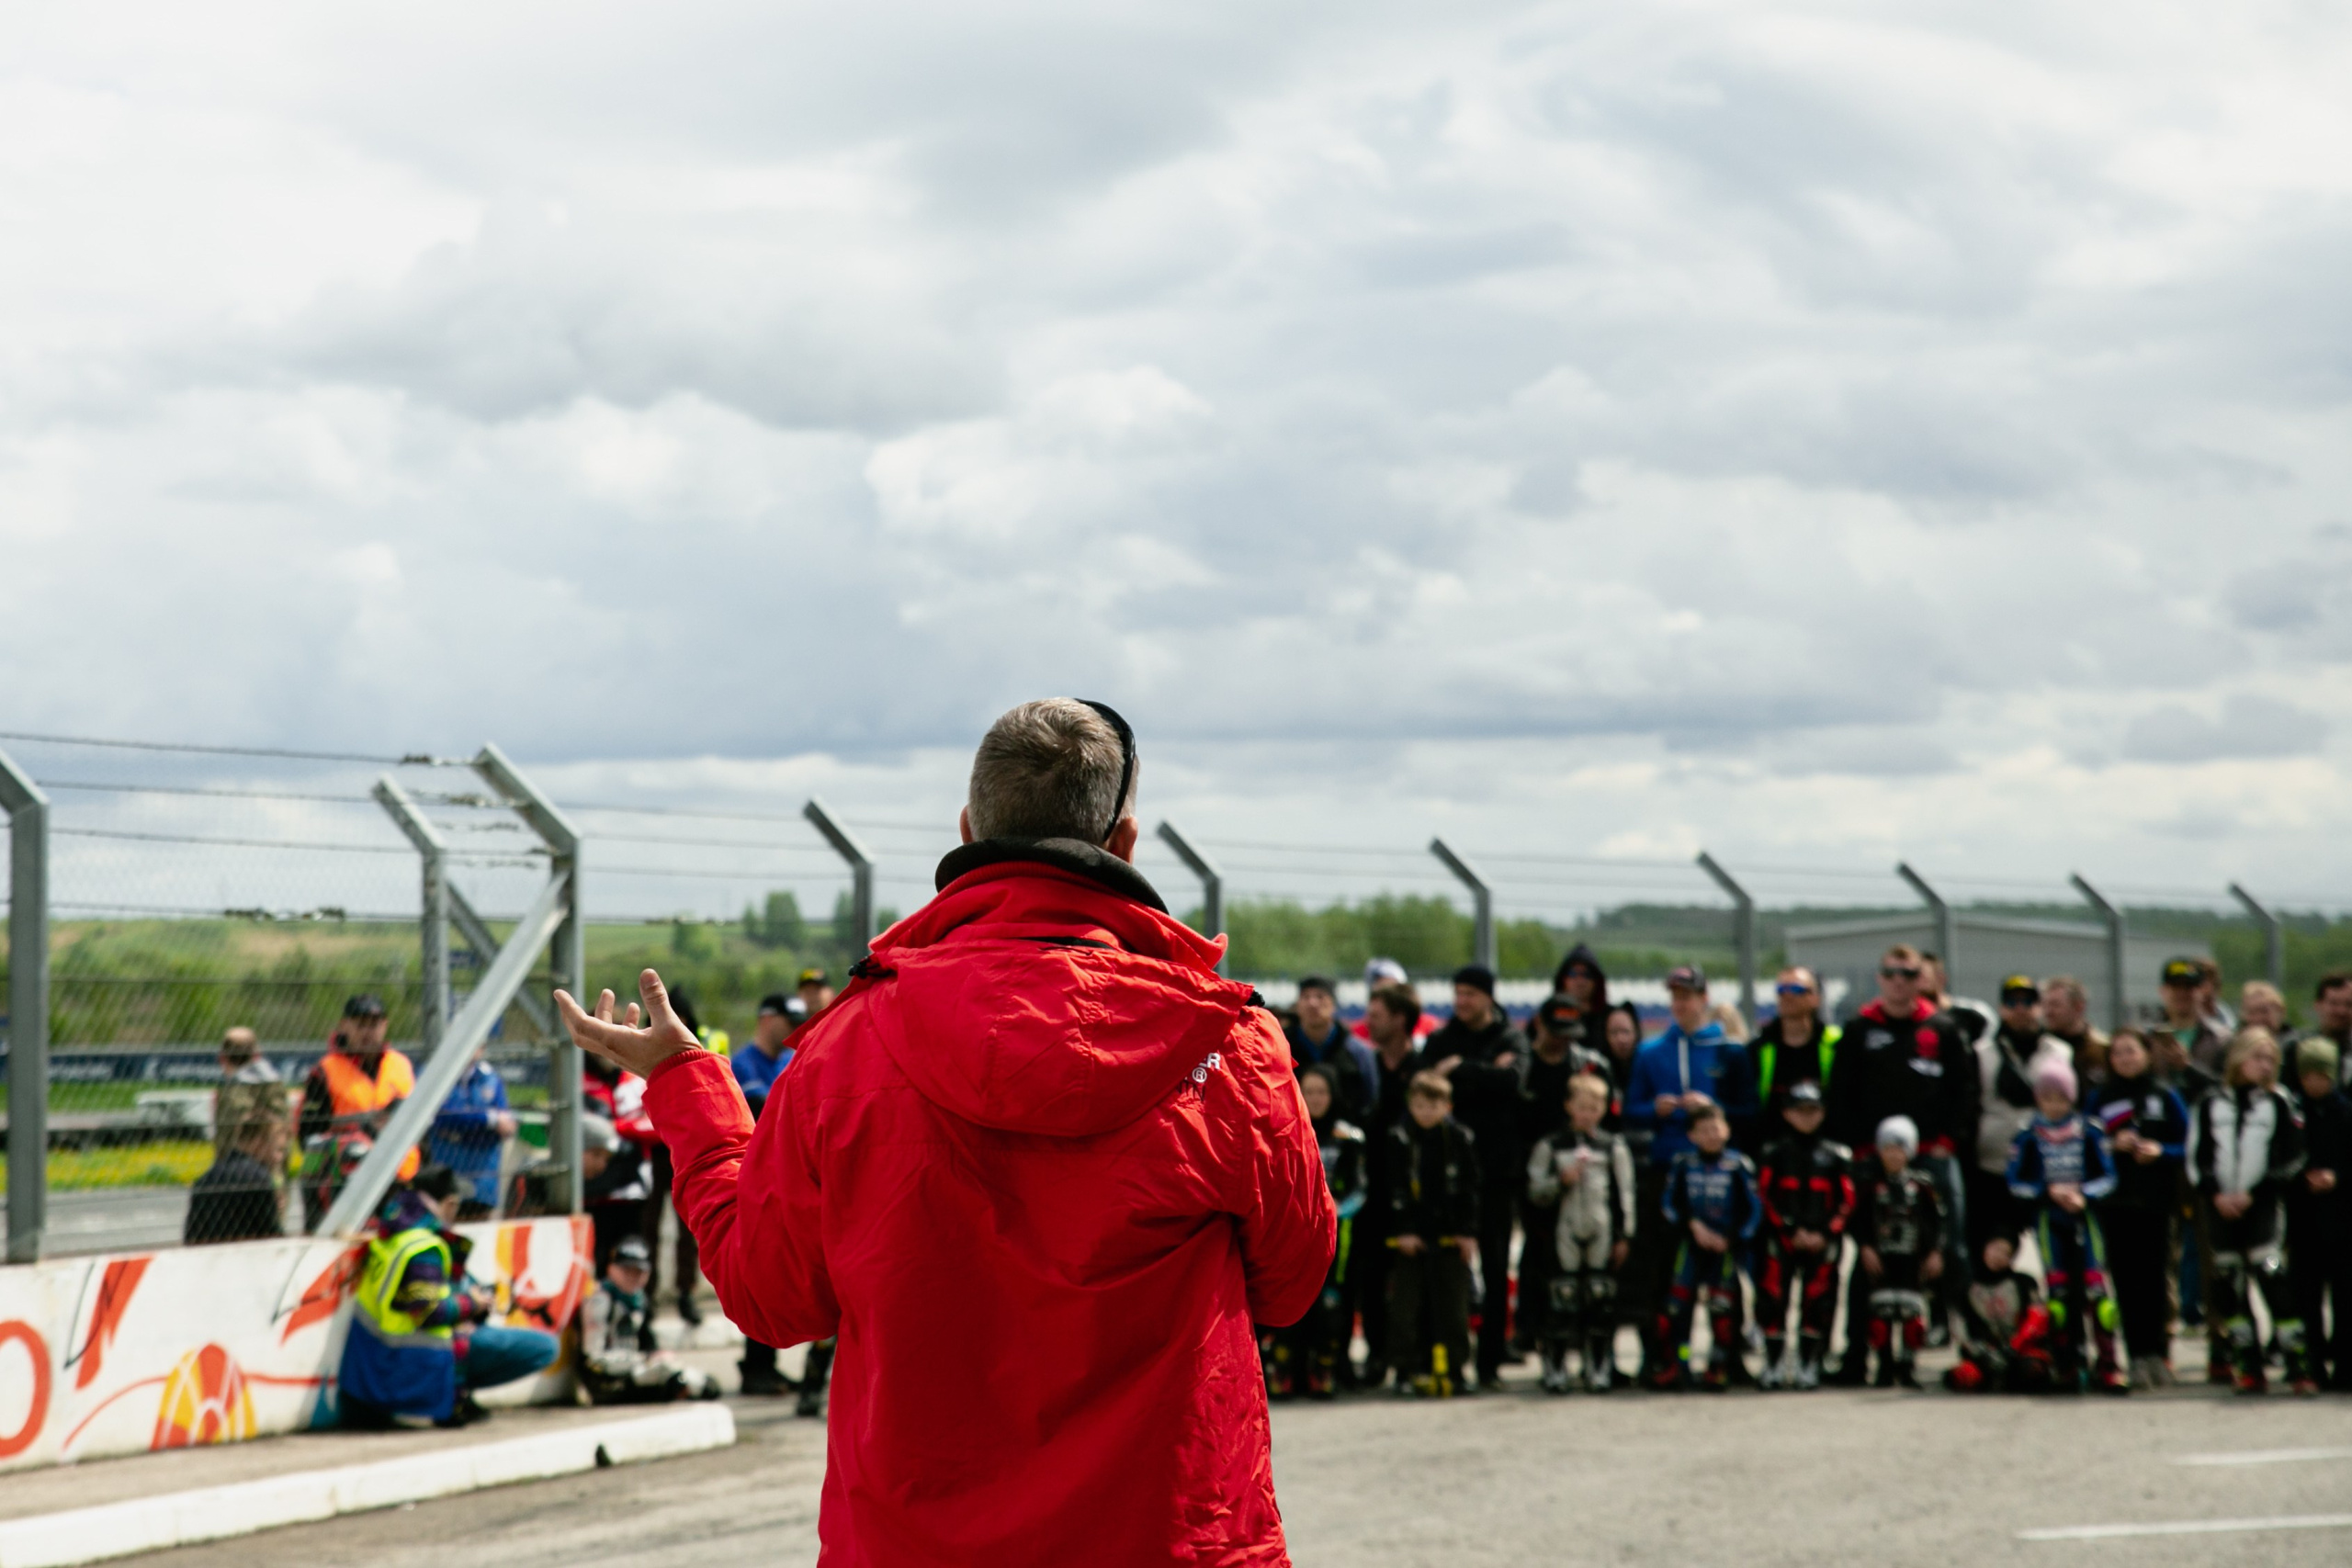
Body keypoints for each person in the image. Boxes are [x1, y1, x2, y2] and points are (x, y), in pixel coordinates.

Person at [555, 697, 1333, 1564]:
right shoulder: (1229, 1047)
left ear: (968, 829)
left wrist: (687, 1084)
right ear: (1124, 845)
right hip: (1168, 1535)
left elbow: (770, 1294)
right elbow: (1293, 1283)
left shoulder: (848, 1044)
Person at [1826, 945, 1974, 1382]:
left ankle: (1968, 1345)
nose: (1899, 982)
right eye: (1891, 973)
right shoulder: (1858, 1029)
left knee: (1949, 1250)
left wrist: (1950, 1141)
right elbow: (1841, 1093)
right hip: (1873, 1161)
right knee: (1866, 1256)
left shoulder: (1942, 1028)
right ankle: (1857, 1352)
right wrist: (1854, 1149)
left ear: (1920, 979)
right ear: (1880, 978)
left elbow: (1964, 1091)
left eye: (1908, 974)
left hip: (1931, 1154)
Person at [340, 1164, 558, 1427]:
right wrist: (473, 1303)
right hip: (409, 1366)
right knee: (545, 1347)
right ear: (450, 1203)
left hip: (374, 1368)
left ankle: (454, 1393)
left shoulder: (393, 1235)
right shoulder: (425, 1248)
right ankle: (451, 1397)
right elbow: (429, 1312)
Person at [1626, 966, 1756, 1378]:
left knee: (1725, 1275)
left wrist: (1711, 1108)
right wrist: (1656, 1109)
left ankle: (1728, 1356)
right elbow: (1630, 1109)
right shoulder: (1651, 1052)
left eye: (1689, 996)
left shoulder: (1730, 1051)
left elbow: (1750, 1112)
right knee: (1667, 1273)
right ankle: (1666, 1357)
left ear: (1705, 998)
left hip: (1722, 1177)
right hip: (1670, 1172)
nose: (1682, 1004)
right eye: (1676, 997)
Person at [2188, 1028, 2311, 1393]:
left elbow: (2293, 1155)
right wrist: (2216, 1195)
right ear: (2239, 1059)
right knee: (2228, 1282)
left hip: (2262, 1205)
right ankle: (2247, 1363)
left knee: (2272, 1275)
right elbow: (2198, 1157)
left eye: (2271, 1060)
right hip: (2220, 1206)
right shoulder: (2211, 1102)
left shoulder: (2279, 1102)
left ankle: (2297, 1362)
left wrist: (2255, 1192)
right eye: (2258, 1058)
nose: (2265, 1065)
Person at [1423, 963, 1526, 1390]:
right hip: (1451, 1176)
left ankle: (1490, 1360)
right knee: (1449, 1270)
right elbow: (1427, 1087)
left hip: (1499, 1173)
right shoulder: (1440, 1040)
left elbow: (1514, 1080)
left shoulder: (1510, 1038)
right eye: (1458, 993)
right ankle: (1450, 1356)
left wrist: (1461, 1070)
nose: (1462, 1001)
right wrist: (1486, 1074)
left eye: (1470, 994)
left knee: (1498, 1263)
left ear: (1488, 996)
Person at [2007, 1059, 2125, 1393]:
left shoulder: (2090, 1130)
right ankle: (2066, 1364)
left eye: (2060, 1096)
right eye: (2046, 1097)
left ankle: (2109, 1366)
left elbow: (2108, 1176)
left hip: (2085, 1217)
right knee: (2057, 1297)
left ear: (2071, 1097)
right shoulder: (2028, 1134)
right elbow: (2015, 1180)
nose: (2054, 1104)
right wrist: (2047, 1192)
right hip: (2049, 1218)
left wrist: (2084, 1195)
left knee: (2099, 1294)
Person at [2087, 1027, 2189, 1387]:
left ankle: (2159, 1352)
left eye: (2131, 1052)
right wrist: (2112, 1144)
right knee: (2126, 1282)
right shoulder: (2101, 1098)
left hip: (2156, 1202)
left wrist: (2161, 1152)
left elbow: (2187, 1142)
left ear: (2146, 1055)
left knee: (2155, 1280)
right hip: (2115, 1204)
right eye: (2118, 1054)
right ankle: (2136, 1356)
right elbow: (2086, 1143)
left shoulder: (2164, 1094)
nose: (2125, 1059)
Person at [1525, 1074, 1634, 1393]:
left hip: (1602, 1229)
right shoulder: (1551, 1145)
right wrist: (1561, 1181)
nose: (1587, 1114)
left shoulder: (1613, 1146)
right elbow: (1534, 1191)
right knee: (1563, 1297)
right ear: (1568, 1106)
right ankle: (1555, 1365)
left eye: (1594, 1108)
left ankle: (1598, 1365)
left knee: (1601, 1297)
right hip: (1564, 1230)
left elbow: (1625, 1194)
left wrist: (1625, 1235)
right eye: (1581, 1107)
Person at [1263, 1066, 1366, 1401]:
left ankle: (1324, 1369)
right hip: (1291, 1231)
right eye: (1308, 1090)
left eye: (1322, 1091)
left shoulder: (1349, 1136)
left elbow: (1361, 1190)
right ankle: (1284, 1370)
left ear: (1333, 1093)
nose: (1315, 1098)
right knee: (1289, 1299)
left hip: (1338, 1232)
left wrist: (1332, 1208)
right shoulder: (1283, 1128)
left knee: (1330, 1305)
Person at [1385, 1070, 1480, 1397]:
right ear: (1410, 1105)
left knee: (1453, 1308)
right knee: (1406, 1308)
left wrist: (1467, 1233)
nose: (1426, 1112)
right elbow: (1392, 1189)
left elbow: (1470, 1190)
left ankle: (1456, 1368)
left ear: (1448, 1106)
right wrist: (1402, 1232)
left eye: (1434, 1105)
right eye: (1420, 1105)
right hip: (1410, 1238)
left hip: (1450, 1238)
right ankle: (1404, 1369)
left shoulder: (1460, 1139)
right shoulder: (1399, 1138)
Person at [1753, 1081, 1854, 1390]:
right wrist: (1789, 1230)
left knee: (1820, 1301)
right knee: (1772, 1299)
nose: (1807, 1117)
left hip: (1823, 1241)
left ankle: (1811, 1363)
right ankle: (1773, 1363)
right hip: (1782, 1239)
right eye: (1800, 1111)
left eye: (1813, 1111)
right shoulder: (1774, 1152)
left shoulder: (1837, 1154)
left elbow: (1847, 1201)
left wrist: (1825, 1233)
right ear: (1786, 1114)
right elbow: (1764, 1196)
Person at [1651, 1102, 1758, 1391]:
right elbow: (1668, 1204)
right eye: (1704, 1130)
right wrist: (1692, 1226)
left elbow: (1754, 1211)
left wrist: (1731, 1239)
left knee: (1722, 1311)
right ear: (1692, 1135)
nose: (1711, 1135)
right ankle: (1679, 1364)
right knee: (1676, 1309)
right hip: (1690, 1245)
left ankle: (1718, 1367)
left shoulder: (1739, 1165)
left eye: (1716, 1129)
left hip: (1724, 1247)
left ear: (1727, 1131)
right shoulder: (1683, 1163)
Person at [1516, 993, 1601, 1353]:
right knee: (1535, 1255)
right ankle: (1528, 1330)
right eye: (1557, 1032)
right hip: (1533, 1171)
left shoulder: (1587, 1066)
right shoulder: (1523, 1065)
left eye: (1570, 1033)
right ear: (1540, 1026)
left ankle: (1581, 1335)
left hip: (1580, 1173)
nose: (1564, 1040)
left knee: (1582, 1257)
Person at [1970, 977, 2071, 1277]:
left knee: (2057, 1257)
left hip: (2048, 1167)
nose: (2021, 1010)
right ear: (2001, 1008)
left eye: (2028, 1002)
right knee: (1991, 1254)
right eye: (2012, 1002)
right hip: (1993, 1166)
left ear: (2039, 1008)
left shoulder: (2059, 1052)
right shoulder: (1981, 1052)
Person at [1355, 980, 1425, 1387]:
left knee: (1413, 1282)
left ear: (1400, 1020)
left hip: (1412, 1192)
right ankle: (1377, 1355)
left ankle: (1410, 1357)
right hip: (1371, 1190)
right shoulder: (1369, 1067)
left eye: (1377, 1016)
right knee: (1370, 1277)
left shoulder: (1423, 1071)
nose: (1368, 1022)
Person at [299, 994, 417, 1224]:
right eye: (360, 1025)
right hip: (348, 1185)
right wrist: (359, 1133)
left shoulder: (401, 1065)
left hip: (402, 1179)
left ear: (385, 1026)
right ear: (344, 1026)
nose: (367, 1032)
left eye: (374, 1025)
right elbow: (308, 1137)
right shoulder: (324, 1072)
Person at [579, 1236, 722, 1404]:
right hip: (607, 1379)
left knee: (703, 1383)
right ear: (611, 1269)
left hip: (633, 1367)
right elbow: (593, 1358)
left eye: (639, 1272)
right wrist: (645, 1360)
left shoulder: (639, 1300)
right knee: (671, 1375)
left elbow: (648, 1342)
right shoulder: (599, 1300)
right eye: (627, 1271)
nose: (633, 1277)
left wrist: (655, 1357)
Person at [2285, 1038, 2350, 1390]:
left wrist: (2337, 1176)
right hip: (2303, 1216)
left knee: (2344, 1294)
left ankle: (2345, 1364)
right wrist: (2302, 1175)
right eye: (2308, 1076)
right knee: (2306, 1294)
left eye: (2322, 1075)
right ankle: (2311, 1361)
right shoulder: (2292, 1114)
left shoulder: (2346, 1111)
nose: (2315, 1083)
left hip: (2342, 1217)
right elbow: (2281, 1158)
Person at [1944, 1234, 2053, 1393]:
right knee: (1963, 1377)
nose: (1999, 1256)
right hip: (1985, 1352)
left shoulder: (2023, 1282)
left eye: (2006, 1252)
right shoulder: (1967, 1287)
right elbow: (1958, 1325)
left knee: (2034, 1371)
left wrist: (2014, 1346)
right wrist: (1979, 1350)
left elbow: (2038, 1317)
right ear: (1984, 1250)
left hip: (2020, 1349)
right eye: (1995, 1249)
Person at [424, 1046, 515, 1221]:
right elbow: (443, 1116)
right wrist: (489, 1120)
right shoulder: (437, 1075)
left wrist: (459, 1132)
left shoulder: (489, 1077)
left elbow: (506, 1125)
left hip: (484, 1182)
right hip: (448, 1178)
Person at [1286, 976, 1380, 1126]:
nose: (1313, 1003)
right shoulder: (1282, 1048)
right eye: (1306, 997)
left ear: (1333, 1004)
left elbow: (1369, 1099)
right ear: (1298, 1005)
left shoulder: (1358, 1051)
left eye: (1320, 997)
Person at [186, 1108, 286, 1244]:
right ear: (259, 1142)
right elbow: (273, 1237)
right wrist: (275, 1208)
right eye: (278, 1150)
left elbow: (191, 1236)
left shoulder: (205, 1179)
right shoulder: (258, 1178)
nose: (279, 1158)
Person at [1752, 967, 1838, 1124]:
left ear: (1815, 998)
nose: (1787, 996)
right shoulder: (1759, 1047)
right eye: (1781, 990)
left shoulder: (1836, 1044)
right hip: (1773, 1141)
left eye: (1796, 989)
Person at [2154, 957, 2227, 1098]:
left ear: (2201, 991)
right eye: (2175, 987)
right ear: (2163, 991)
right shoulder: (2150, 1038)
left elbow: (2226, 1086)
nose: (2182, 993)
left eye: (2188, 987)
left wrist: (2188, 1068)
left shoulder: (2221, 1039)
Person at [214, 1026, 288, 1159]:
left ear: (222, 1058)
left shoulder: (230, 1091)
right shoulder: (275, 1087)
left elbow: (225, 1141)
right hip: (272, 1168)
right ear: (256, 1056)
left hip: (236, 1171)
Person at [2285, 973, 2352, 1091]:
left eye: (2348, 1004)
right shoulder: (2298, 1049)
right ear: (2318, 1005)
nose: (2341, 1011)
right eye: (2334, 1003)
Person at [2040, 975, 2109, 1080]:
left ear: (2078, 1007)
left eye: (2055, 1005)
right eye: (2045, 1005)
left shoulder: (2103, 1050)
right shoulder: (2040, 1048)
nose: (2048, 1012)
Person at [1552, 944, 1611, 1040]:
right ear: (1563, 979)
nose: (1580, 981)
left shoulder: (1610, 1019)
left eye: (1587, 975)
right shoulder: (1551, 1018)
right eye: (1573, 974)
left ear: (1597, 981)